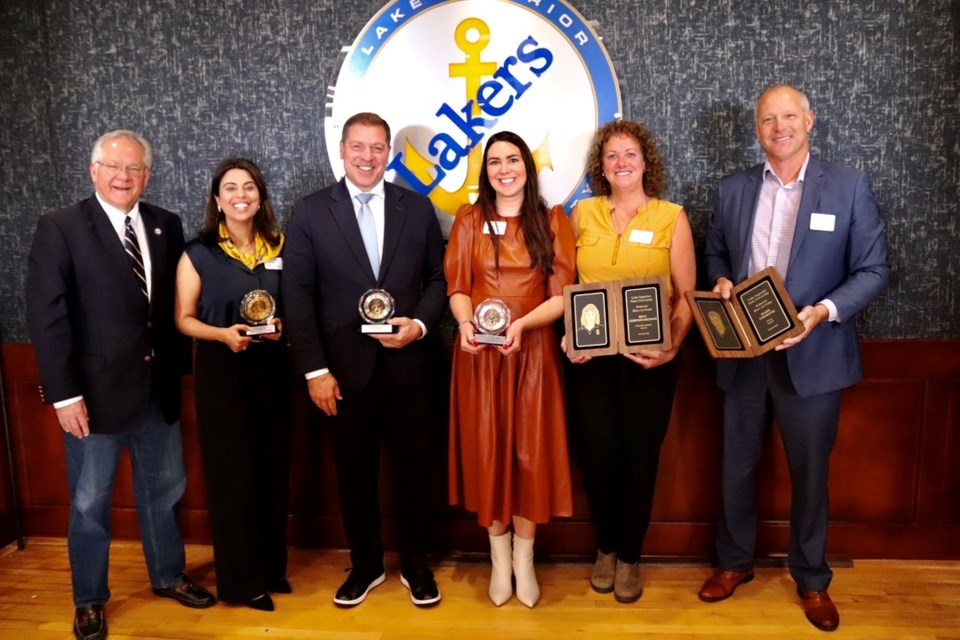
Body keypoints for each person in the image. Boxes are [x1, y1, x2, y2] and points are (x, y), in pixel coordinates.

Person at [699, 84, 890, 632]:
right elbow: (715, 251)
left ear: (810, 120)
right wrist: (720, 279)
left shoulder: (848, 185)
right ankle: (734, 563)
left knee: (810, 475)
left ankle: (810, 578)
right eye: (767, 119)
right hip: (742, 353)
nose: (778, 127)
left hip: (815, 353)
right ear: (757, 128)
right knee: (736, 467)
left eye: (788, 117)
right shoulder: (732, 188)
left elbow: (874, 270)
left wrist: (822, 312)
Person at [25, 130, 216, 640]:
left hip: (157, 391)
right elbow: (48, 319)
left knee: (165, 490)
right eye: (113, 167)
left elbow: (174, 305)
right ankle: (89, 599)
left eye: (134, 169)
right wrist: (63, 395)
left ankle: (168, 575)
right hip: (91, 398)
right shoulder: (60, 227)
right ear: (93, 171)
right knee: (90, 502)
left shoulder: (165, 225)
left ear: (147, 176)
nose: (123, 177)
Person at [282, 112, 447, 608]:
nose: (368, 157)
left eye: (378, 148)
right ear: (342, 148)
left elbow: (439, 279)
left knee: (415, 472)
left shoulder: (416, 208)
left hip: (410, 366)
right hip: (341, 372)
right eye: (359, 147)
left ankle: (416, 565)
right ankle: (368, 564)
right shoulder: (310, 212)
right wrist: (315, 371)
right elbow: (298, 295)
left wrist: (417, 325)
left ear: (388, 153)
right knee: (353, 474)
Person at [564, 120, 696, 603]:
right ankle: (604, 547)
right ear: (600, 166)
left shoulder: (671, 217)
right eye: (611, 156)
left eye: (630, 154)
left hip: (649, 361)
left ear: (646, 161)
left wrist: (672, 347)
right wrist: (568, 337)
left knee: (640, 459)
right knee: (598, 458)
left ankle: (630, 557)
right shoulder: (582, 214)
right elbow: (563, 288)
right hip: (591, 361)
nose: (621, 163)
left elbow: (685, 296)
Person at [446, 131, 576, 608]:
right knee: (489, 452)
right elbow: (458, 287)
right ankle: (498, 560)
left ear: (527, 166)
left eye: (513, 159)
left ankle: (525, 559)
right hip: (479, 357)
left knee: (529, 456)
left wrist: (521, 325)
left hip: (533, 351)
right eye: (495, 161)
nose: (505, 169)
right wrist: (464, 323)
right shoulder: (468, 220)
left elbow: (561, 295)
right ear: (486, 171)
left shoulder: (553, 221)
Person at [174, 157, 291, 611]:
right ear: (217, 200)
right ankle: (242, 583)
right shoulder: (197, 251)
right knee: (233, 477)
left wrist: (285, 327)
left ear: (260, 196)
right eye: (230, 189)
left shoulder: (282, 246)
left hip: (272, 370)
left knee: (272, 471)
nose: (241, 195)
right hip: (222, 373)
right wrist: (222, 334)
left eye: (249, 187)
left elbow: (296, 304)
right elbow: (182, 319)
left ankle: (271, 569)